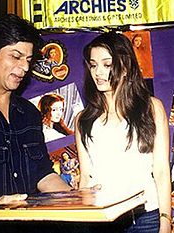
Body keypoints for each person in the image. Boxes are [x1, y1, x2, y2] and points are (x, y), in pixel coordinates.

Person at [0, 14, 71, 233]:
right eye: (15, 57)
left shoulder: (28, 113)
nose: (24, 68)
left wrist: (79, 200)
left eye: (28, 60)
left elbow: (43, 175)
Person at [75, 31, 171, 233]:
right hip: (101, 219)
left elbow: (161, 171)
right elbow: (85, 177)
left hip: (146, 217)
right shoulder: (84, 120)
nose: (98, 72)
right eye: (93, 65)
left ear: (125, 67)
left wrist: (166, 220)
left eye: (107, 65)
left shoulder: (151, 108)